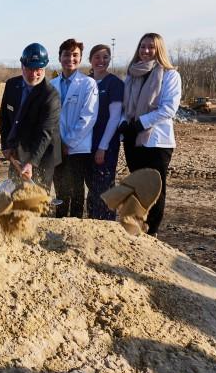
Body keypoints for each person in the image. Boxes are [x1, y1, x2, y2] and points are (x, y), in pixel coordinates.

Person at [120, 32, 182, 236]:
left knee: (155, 188)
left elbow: (168, 109)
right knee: (137, 185)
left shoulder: (169, 74)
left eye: (151, 47)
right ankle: (137, 225)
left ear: (159, 50)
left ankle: (152, 230)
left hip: (156, 141)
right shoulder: (131, 75)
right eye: (142, 46)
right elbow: (126, 105)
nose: (146, 51)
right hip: (133, 140)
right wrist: (125, 125)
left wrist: (141, 123)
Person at [0, 43, 61, 189]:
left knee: (37, 198)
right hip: (18, 149)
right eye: (29, 69)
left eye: (38, 70)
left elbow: (45, 134)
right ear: (22, 66)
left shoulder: (51, 95)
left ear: (44, 68)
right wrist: (5, 145)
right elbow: (4, 118)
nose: (34, 75)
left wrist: (31, 162)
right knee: (16, 192)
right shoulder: (11, 85)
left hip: (43, 153)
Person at [50, 39, 98, 218]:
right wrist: (57, 142)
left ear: (80, 58)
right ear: (60, 57)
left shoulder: (88, 84)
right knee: (61, 188)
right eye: (67, 54)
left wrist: (68, 142)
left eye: (75, 55)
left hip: (78, 147)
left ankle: (75, 224)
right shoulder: (51, 84)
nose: (71, 58)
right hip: (57, 146)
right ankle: (59, 220)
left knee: (77, 189)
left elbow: (88, 117)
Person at [86, 44, 124, 220]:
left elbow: (114, 117)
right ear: (90, 60)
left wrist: (103, 147)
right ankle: (92, 222)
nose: (101, 61)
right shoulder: (86, 81)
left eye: (105, 57)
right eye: (97, 57)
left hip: (104, 145)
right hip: (85, 143)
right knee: (92, 188)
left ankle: (107, 225)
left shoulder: (114, 84)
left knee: (104, 187)